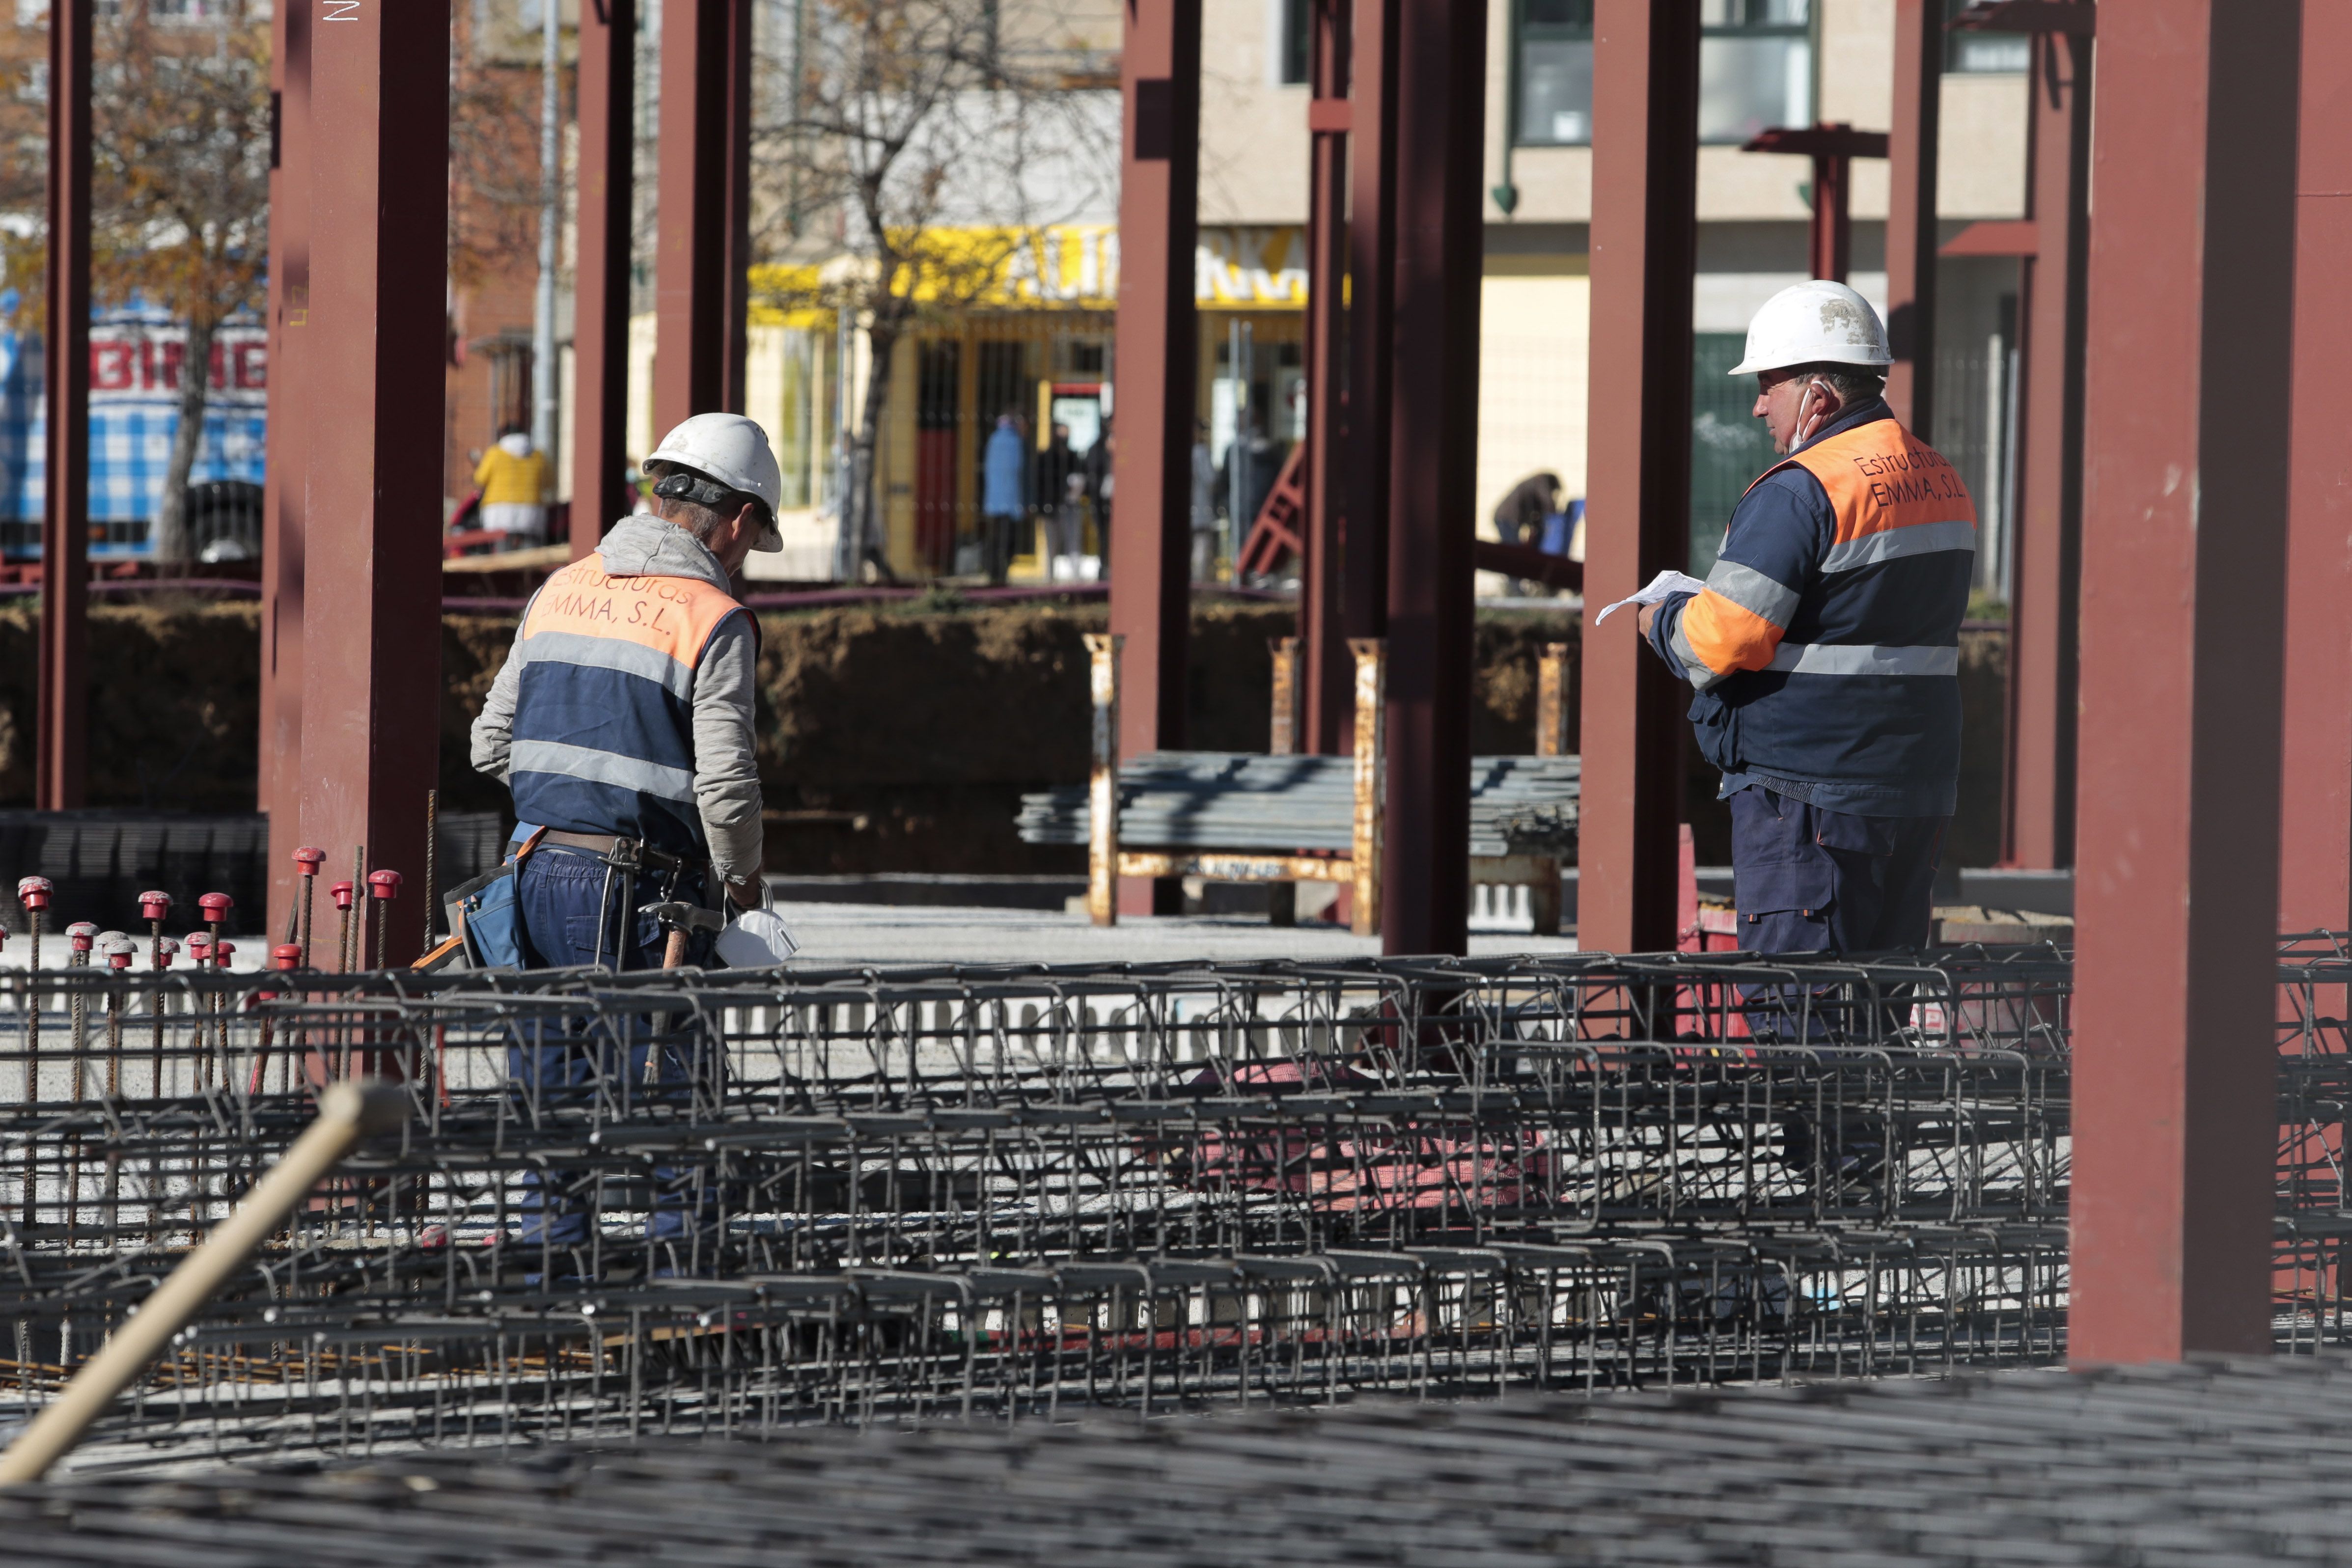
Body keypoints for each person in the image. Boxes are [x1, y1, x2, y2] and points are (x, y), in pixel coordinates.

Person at [469, 412, 779, 1252]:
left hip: (532, 873)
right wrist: (744, 889)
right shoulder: (712, 616)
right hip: (644, 890)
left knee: (553, 1100)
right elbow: (725, 785)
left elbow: (489, 743)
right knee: (681, 1104)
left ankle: (549, 1283)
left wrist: (574, 798)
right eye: (752, 540)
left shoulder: (558, 588)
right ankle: (684, 1294)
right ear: (740, 518)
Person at [1631, 280, 1975, 956]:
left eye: (1769, 385)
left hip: (1809, 793)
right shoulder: (1939, 477)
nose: (1758, 406)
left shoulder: (1801, 489)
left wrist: (1659, 618)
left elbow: (1718, 639)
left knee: (1801, 1023)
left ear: (1817, 396)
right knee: (1878, 1010)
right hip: (1915, 783)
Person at [472, 424, 553, 549]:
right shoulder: (538, 455)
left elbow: (480, 479)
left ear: (503, 435)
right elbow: (549, 482)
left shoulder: (495, 453)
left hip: (499, 510)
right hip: (531, 509)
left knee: (502, 550)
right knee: (531, 554)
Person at [1493, 470, 1564, 597]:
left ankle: (1515, 588)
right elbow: (1547, 501)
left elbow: (1532, 506)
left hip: (1508, 519)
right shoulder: (1541, 482)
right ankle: (1514, 590)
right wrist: (1556, 517)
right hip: (1508, 519)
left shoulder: (1533, 482)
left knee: (1514, 552)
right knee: (1513, 554)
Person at [980, 410, 1028, 585]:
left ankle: (993, 572)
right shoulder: (1015, 443)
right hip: (1011, 501)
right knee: (1008, 541)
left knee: (995, 538)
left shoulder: (994, 440)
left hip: (994, 501)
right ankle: (1001, 573)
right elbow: (1017, 473)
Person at [1035, 421, 1081, 577]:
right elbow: (1041, 484)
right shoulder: (1046, 458)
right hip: (1051, 507)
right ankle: (1049, 575)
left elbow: (1080, 479)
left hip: (1070, 505)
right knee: (1051, 544)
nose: (1064, 438)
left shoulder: (1074, 457)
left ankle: (1075, 576)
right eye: (1061, 434)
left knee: (1073, 542)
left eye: (1066, 434)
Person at [1189, 419, 1218, 582]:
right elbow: (1211, 479)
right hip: (1200, 506)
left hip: (1191, 507)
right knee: (1201, 545)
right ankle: (1199, 579)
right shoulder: (1201, 452)